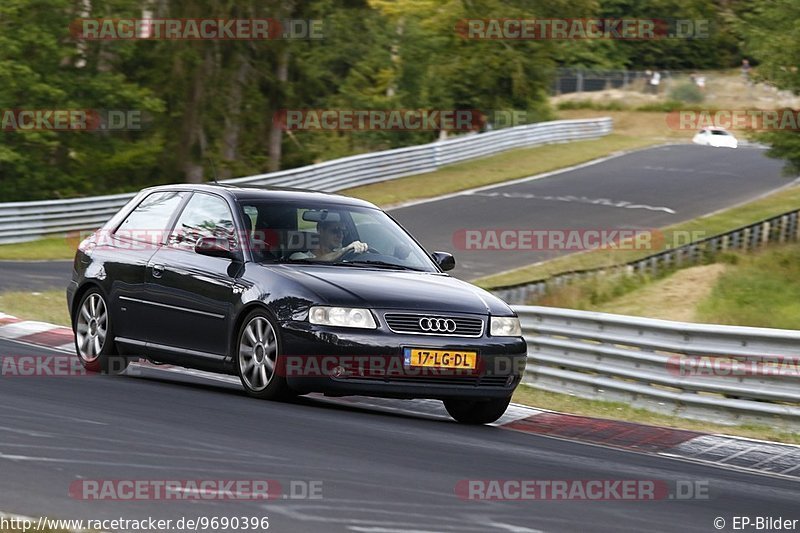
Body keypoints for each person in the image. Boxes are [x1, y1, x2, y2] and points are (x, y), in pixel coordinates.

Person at [290, 219, 367, 261]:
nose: (340, 235)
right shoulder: (298, 256)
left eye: (343, 232)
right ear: (320, 230)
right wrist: (345, 250)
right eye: (335, 231)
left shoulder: (345, 258)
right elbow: (315, 262)